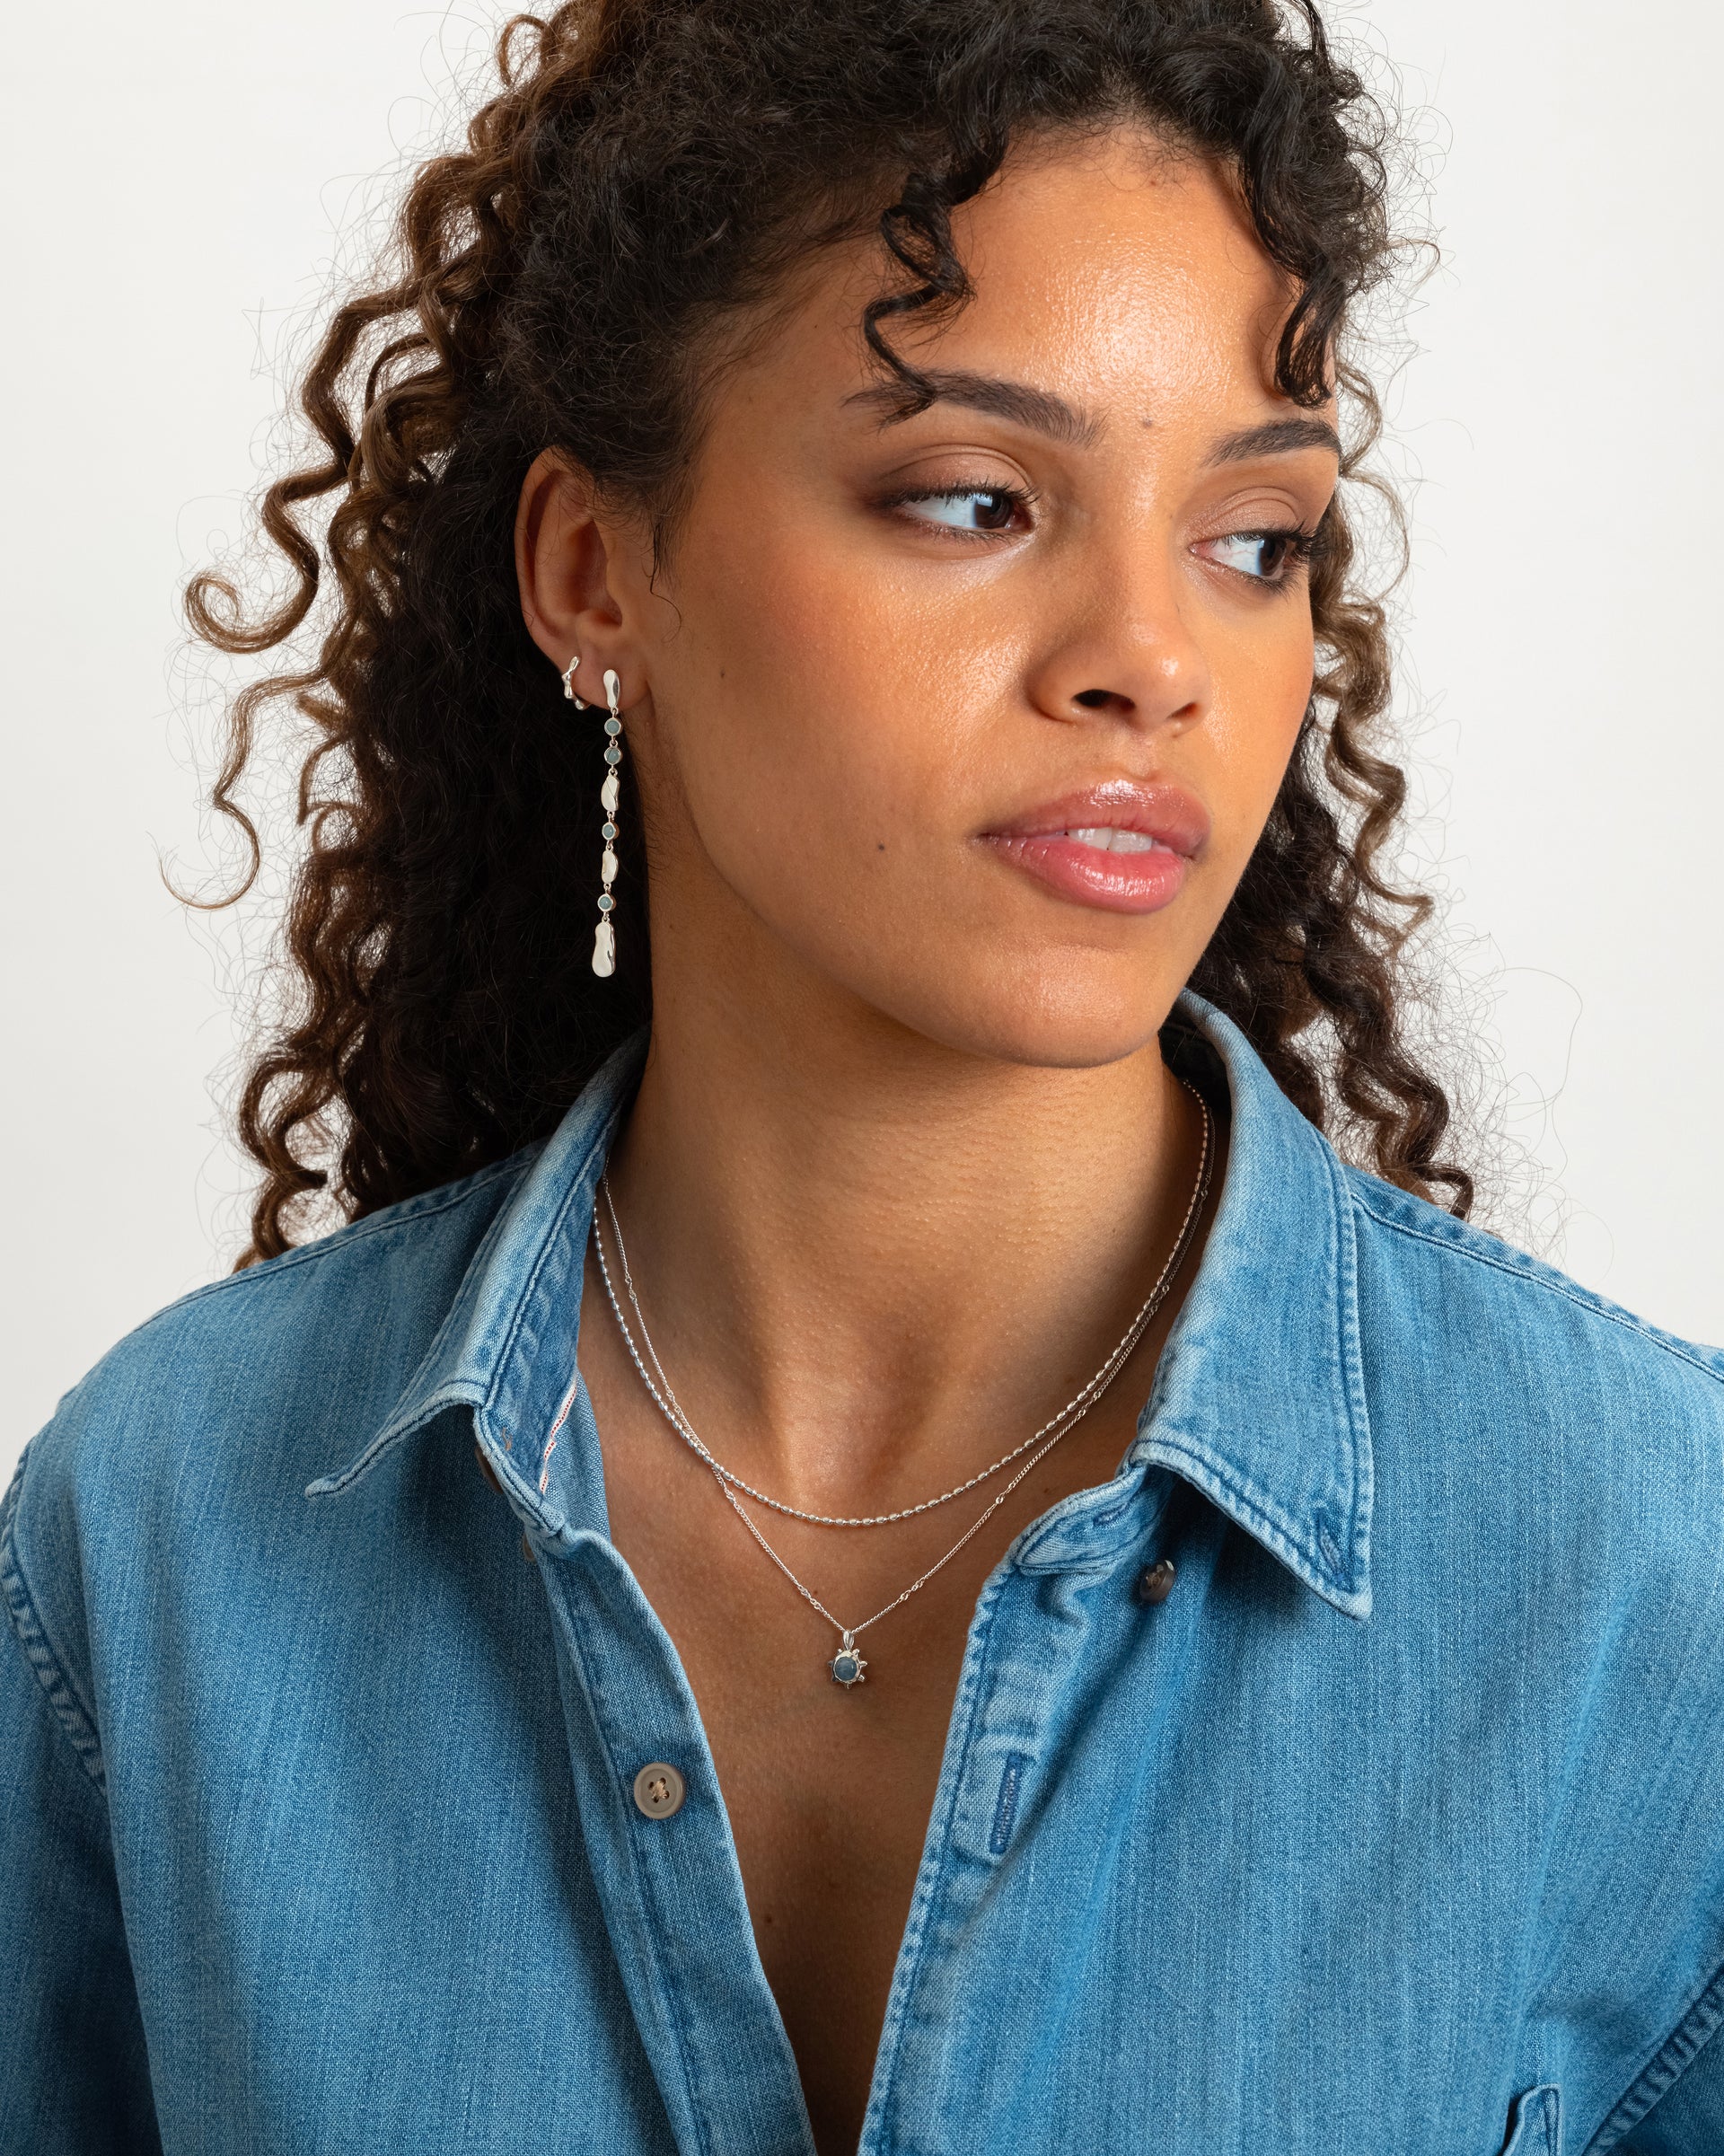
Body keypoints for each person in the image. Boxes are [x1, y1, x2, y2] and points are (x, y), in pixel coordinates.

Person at [4, 2, 1720, 2150]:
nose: (1151, 657)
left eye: (1255, 538)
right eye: (976, 495)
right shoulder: (166, 1534)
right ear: (591, 570)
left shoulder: (1653, 1578)